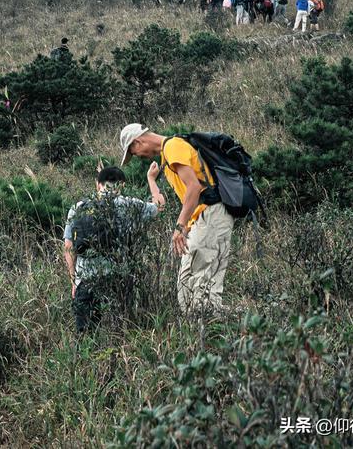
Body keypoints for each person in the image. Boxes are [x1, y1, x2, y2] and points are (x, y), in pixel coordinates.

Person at [120, 124, 234, 314]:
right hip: (205, 216)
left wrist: (179, 227)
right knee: (190, 281)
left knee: (200, 281)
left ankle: (212, 332)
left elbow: (194, 188)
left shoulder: (173, 147)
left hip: (212, 214)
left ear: (138, 142)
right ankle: (208, 330)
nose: (139, 157)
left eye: (134, 153)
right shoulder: (168, 153)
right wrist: (189, 226)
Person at [63, 165, 165, 333]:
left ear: (98, 184)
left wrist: (74, 280)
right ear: (122, 185)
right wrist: (151, 179)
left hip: (86, 279)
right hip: (118, 278)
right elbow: (159, 205)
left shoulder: (78, 208)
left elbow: (68, 247)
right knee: (119, 331)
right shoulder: (129, 204)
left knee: (86, 335)